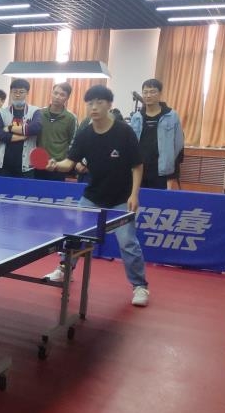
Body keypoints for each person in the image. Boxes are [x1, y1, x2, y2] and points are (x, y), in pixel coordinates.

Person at [44, 85, 150, 307]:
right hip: (93, 196)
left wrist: (134, 195)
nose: (94, 107)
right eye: (90, 103)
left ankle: (139, 286)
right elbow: (69, 163)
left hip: (121, 198)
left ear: (109, 105)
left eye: (99, 102)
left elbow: (137, 166)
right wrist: (55, 164)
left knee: (127, 243)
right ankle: (65, 269)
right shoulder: (85, 134)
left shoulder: (124, 132)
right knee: (75, 236)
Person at [129, 79, 184, 190]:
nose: (148, 95)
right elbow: (131, 144)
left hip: (161, 170)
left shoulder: (171, 116)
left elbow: (178, 144)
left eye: (152, 92)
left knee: (158, 199)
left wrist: (168, 160)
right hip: (139, 169)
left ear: (160, 94)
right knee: (138, 198)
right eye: (145, 92)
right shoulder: (136, 117)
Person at [0, 79, 43, 178]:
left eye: (21, 92)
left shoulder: (34, 111)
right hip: (4, 165)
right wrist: (22, 137)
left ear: (27, 93)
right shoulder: (2, 112)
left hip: (26, 166)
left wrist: (10, 128)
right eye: (14, 92)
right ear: (11, 93)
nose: (17, 95)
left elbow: (36, 128)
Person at [36, 82, 77, 181]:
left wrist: (63, 163)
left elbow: (73, 143)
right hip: (37, 164)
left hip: (58, 166)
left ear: (67, 98)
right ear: (51, 93)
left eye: (62, 95)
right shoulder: (39, 113)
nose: (57, 97)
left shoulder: (71, 118)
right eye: (55, 93)